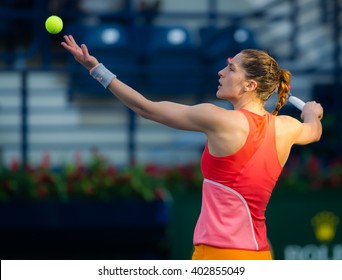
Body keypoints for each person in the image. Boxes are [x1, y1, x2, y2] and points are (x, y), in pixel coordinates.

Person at [61, 35, 323, 260]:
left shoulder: (219, 119)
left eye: (231, 69)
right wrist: (313, 113)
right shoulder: (288, 127)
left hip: (218, 256)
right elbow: (313, 131)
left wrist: (96, 68)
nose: (221, 72)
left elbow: (146, 108)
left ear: (249, 85)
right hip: (261, 255)